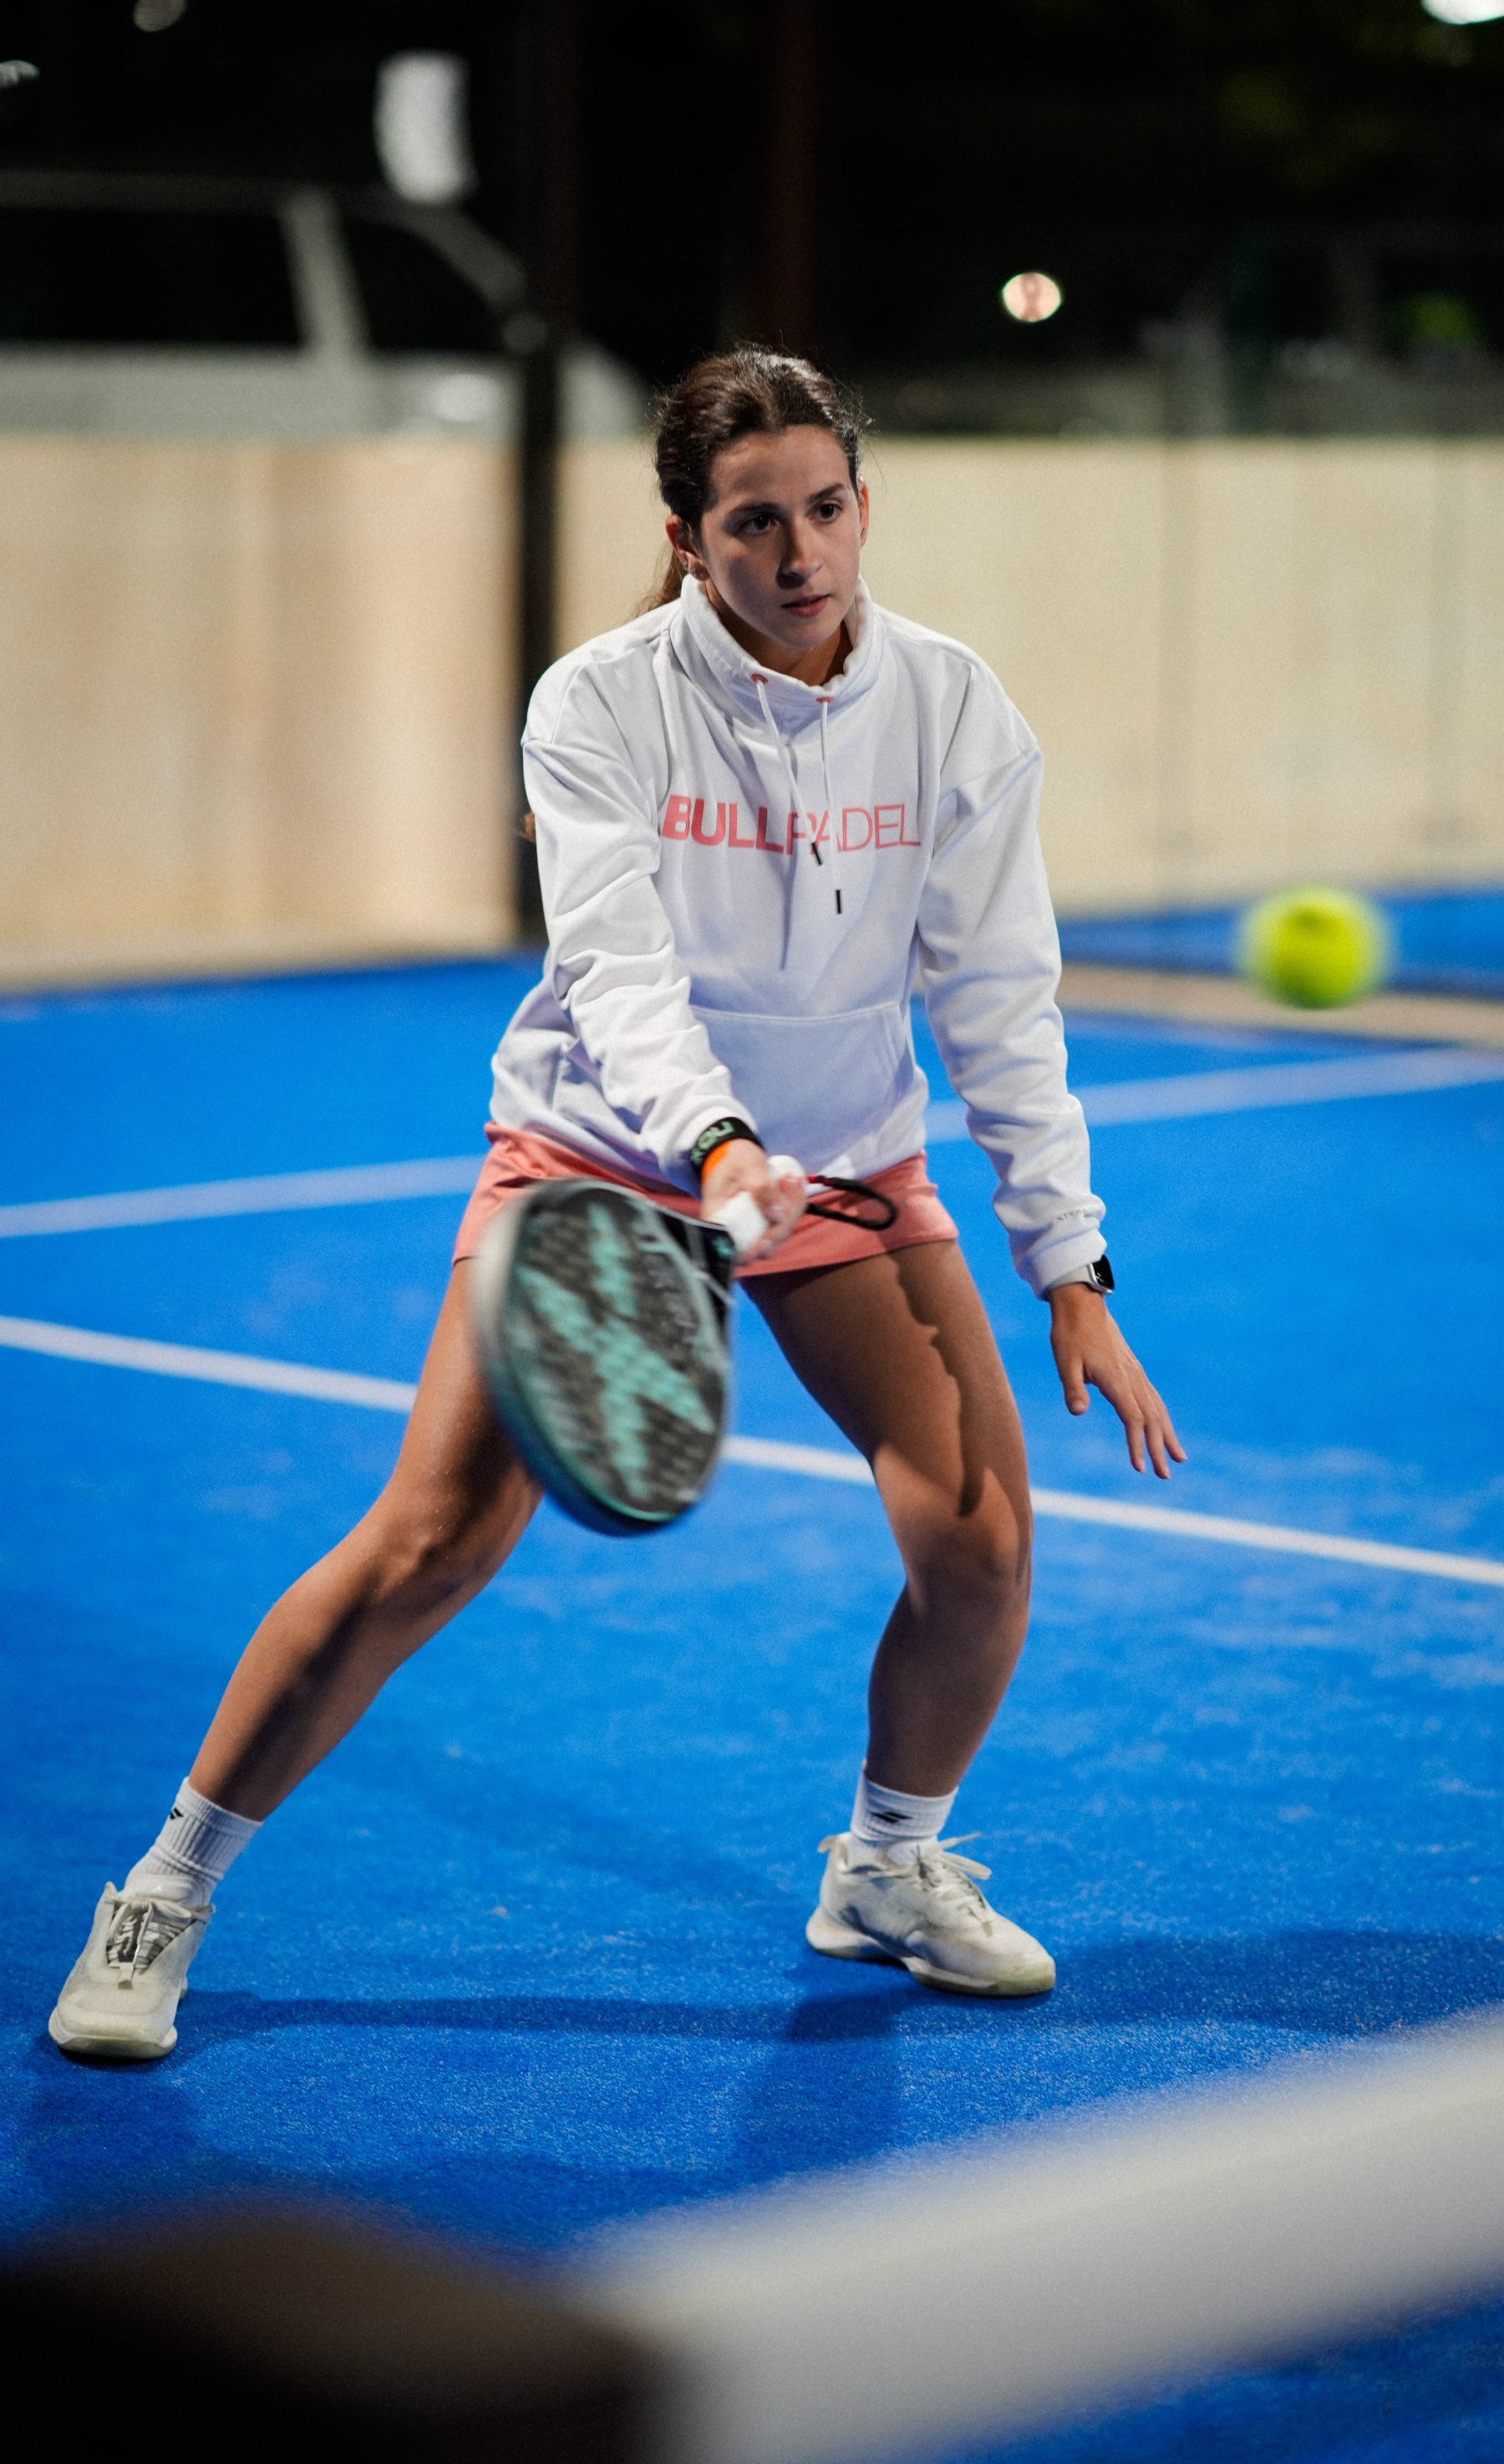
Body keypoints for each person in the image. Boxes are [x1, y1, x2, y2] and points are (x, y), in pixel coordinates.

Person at [49, 346, 1183, 2062]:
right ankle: (166, 1886)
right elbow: (617, 966)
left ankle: (886, 1869)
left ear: (862, 504)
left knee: (981, 1543)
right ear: (685, 538)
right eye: (753, 523)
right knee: (431, 1541)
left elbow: (1000, 998)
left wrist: (1070, 1264)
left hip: (842, 1165)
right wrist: (713, 1147)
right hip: (602, 1156)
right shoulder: (599, 702)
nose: (799, 552)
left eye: (825, 509)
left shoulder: (954, 707)